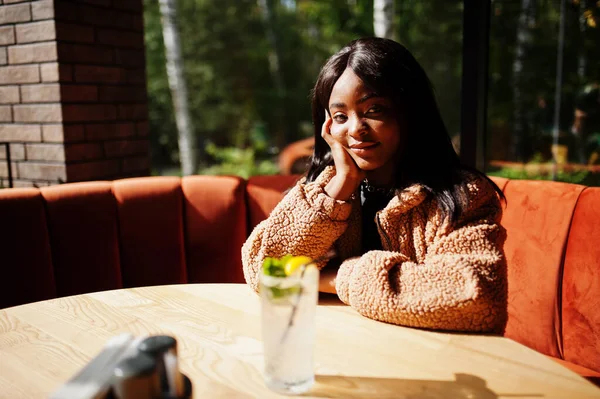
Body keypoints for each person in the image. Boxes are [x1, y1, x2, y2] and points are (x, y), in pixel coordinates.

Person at [242, 37, 508, 333]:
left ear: (410, 111)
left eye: (374, 110)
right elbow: (264, 269)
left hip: (433, 361)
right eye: (341, 116)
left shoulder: (462, 196)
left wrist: (334, 278)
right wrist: (340, 187)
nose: (355, 128)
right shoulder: (326, 189)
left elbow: (473, 295)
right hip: (346, 348)